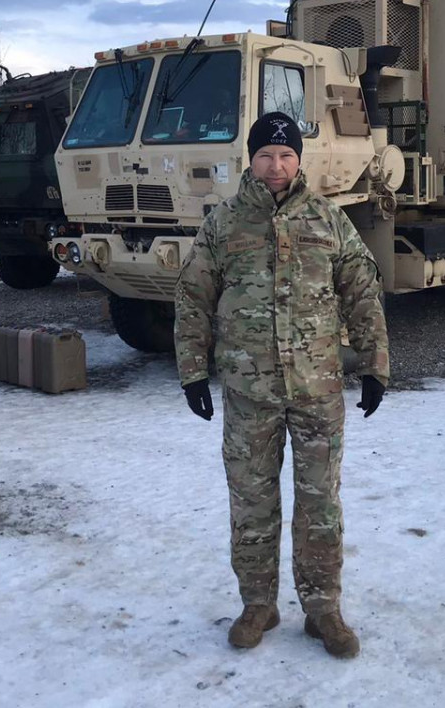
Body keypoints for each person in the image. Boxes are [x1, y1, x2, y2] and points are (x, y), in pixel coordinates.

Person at [174, 111, 390, 659]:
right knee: (252, 501)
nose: (276, 165)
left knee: (320, 503)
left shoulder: (328, 220)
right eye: (266, 155)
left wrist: (374, 365)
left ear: (300, 160)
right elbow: (192, 298)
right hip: (250, 394)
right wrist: (193, 370)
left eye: (286, 155)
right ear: (251, 159)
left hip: (317, 390)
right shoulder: (224, 224)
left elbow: (362, 292)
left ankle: (323, 611)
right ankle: (258, 604)